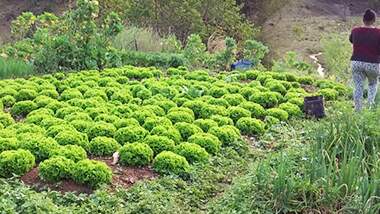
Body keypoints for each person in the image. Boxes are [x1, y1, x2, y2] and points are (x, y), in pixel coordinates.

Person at [349, 9, 380, 111]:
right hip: (373, 63)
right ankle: (370, 107)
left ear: (363, 19)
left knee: (358, 86)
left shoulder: (355, 30)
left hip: (356, 62)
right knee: (373, 84)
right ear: (374, 20)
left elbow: (351, 40)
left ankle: (358, 110)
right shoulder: (378, 33)